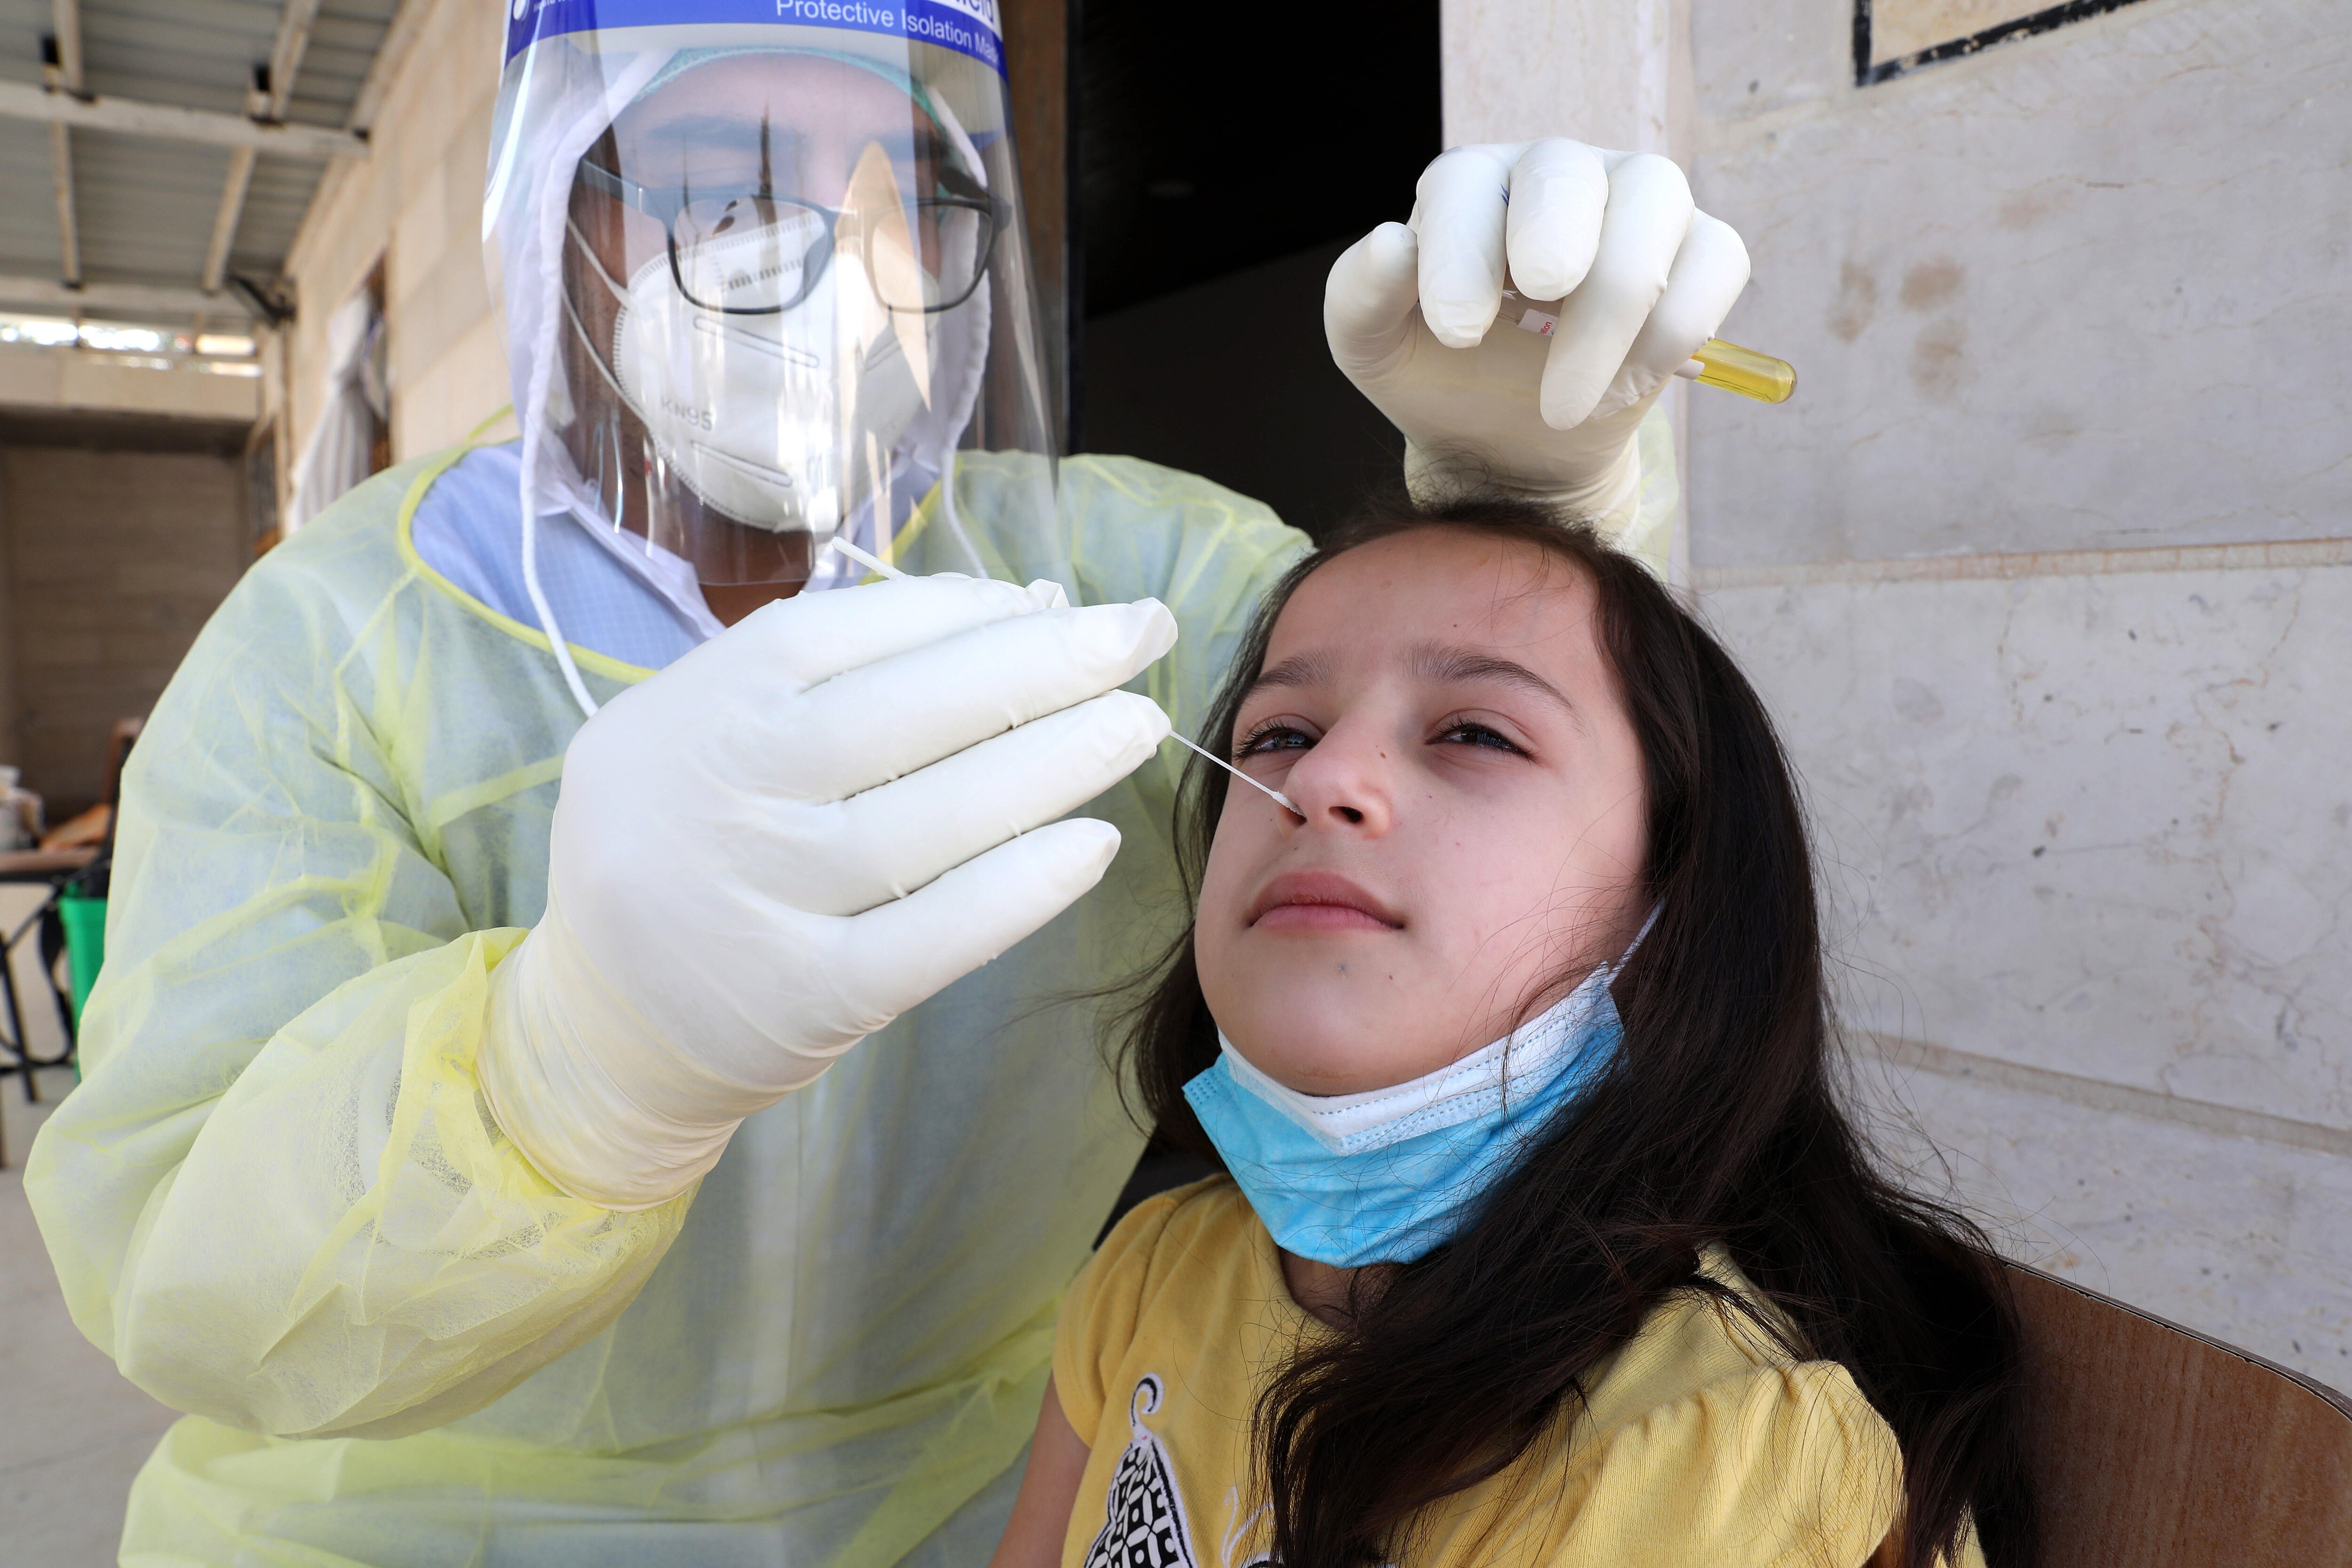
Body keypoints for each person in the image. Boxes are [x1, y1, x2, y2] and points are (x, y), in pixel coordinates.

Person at [24, 3, 1753, 1564]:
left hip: (984, 1499)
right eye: (711, 177)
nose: (817, 259)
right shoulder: (335, 642)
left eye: (902, 196)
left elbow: (1476, 798)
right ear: (560, 211)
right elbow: (189, 1272)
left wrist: (1522, 507)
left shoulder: (1113, 571)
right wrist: (562, 1070)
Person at [986, 502, 2031, 1568]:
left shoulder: (1713, 1455)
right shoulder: (1150, 1268)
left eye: (1475, 732)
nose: (1318, 779)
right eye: (1279, 733)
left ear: (1674, 909)